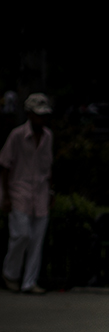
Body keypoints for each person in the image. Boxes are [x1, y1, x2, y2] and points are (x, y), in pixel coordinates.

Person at [2, 93, 54, 295]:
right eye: (38, 115)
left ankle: (29, 282)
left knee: (36, 240)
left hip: (40, 193)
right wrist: (5, 195)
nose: (42, 119)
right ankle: (10, 273)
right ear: (30, 115)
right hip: (19, 192)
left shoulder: (48, 136)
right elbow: (5, 165)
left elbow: (48, 166)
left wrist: (51, 190)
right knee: (21, 235)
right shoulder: (17, 136)